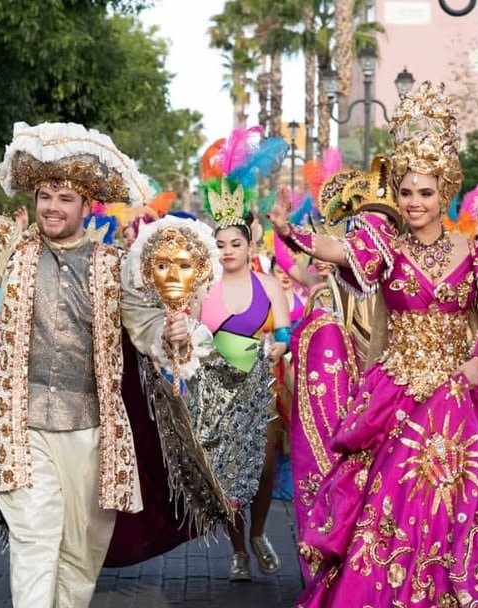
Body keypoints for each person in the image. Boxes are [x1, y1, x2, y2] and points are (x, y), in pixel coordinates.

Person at [273, 82, 478, 607]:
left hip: (458, 392)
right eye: (406, 192)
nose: (414, 203)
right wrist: (290, 233)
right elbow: (339, 249)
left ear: (445, 193)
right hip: (395, 391)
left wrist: (475, 363)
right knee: (390, 504)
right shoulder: (383, 247)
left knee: (467, 507)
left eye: (425, 192)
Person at [0, 113, 178, 607]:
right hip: (22, 430)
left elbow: (149, 329)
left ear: (86, 206)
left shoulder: (114, 267)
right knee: (35, 544)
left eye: (64, 199)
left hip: (93, 435)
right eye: (45, 197)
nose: (51, 207)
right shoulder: (13, 250)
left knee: (80, 557)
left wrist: (172, 332)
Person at [199, 128, 291, 581]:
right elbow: (190, 339)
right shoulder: (203, 290)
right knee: (225, 479)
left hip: (262, 390)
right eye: (221, 244)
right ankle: (237, 550)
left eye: (235, 243)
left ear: (250, 245)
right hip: (216, 395)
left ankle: (258, 533)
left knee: (264, 468)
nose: (228, 250)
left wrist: (277, 345)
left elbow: (286, 332)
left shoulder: (268, 286)